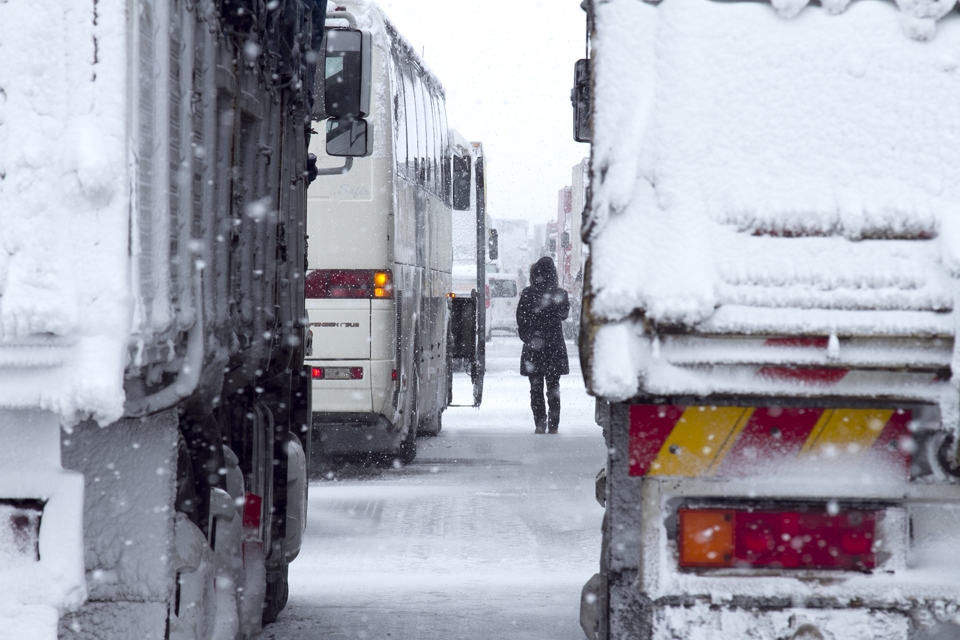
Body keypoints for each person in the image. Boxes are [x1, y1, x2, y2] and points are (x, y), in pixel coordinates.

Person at [516, 256, 570, 434]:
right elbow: (564, 314)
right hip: (554, 347)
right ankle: (554, 425)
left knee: (536, 388)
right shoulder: (560, 294)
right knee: (553, 387)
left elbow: (521, 319)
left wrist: (528, 338)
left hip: (534, 347)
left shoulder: (528, 293)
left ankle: (540, 423)